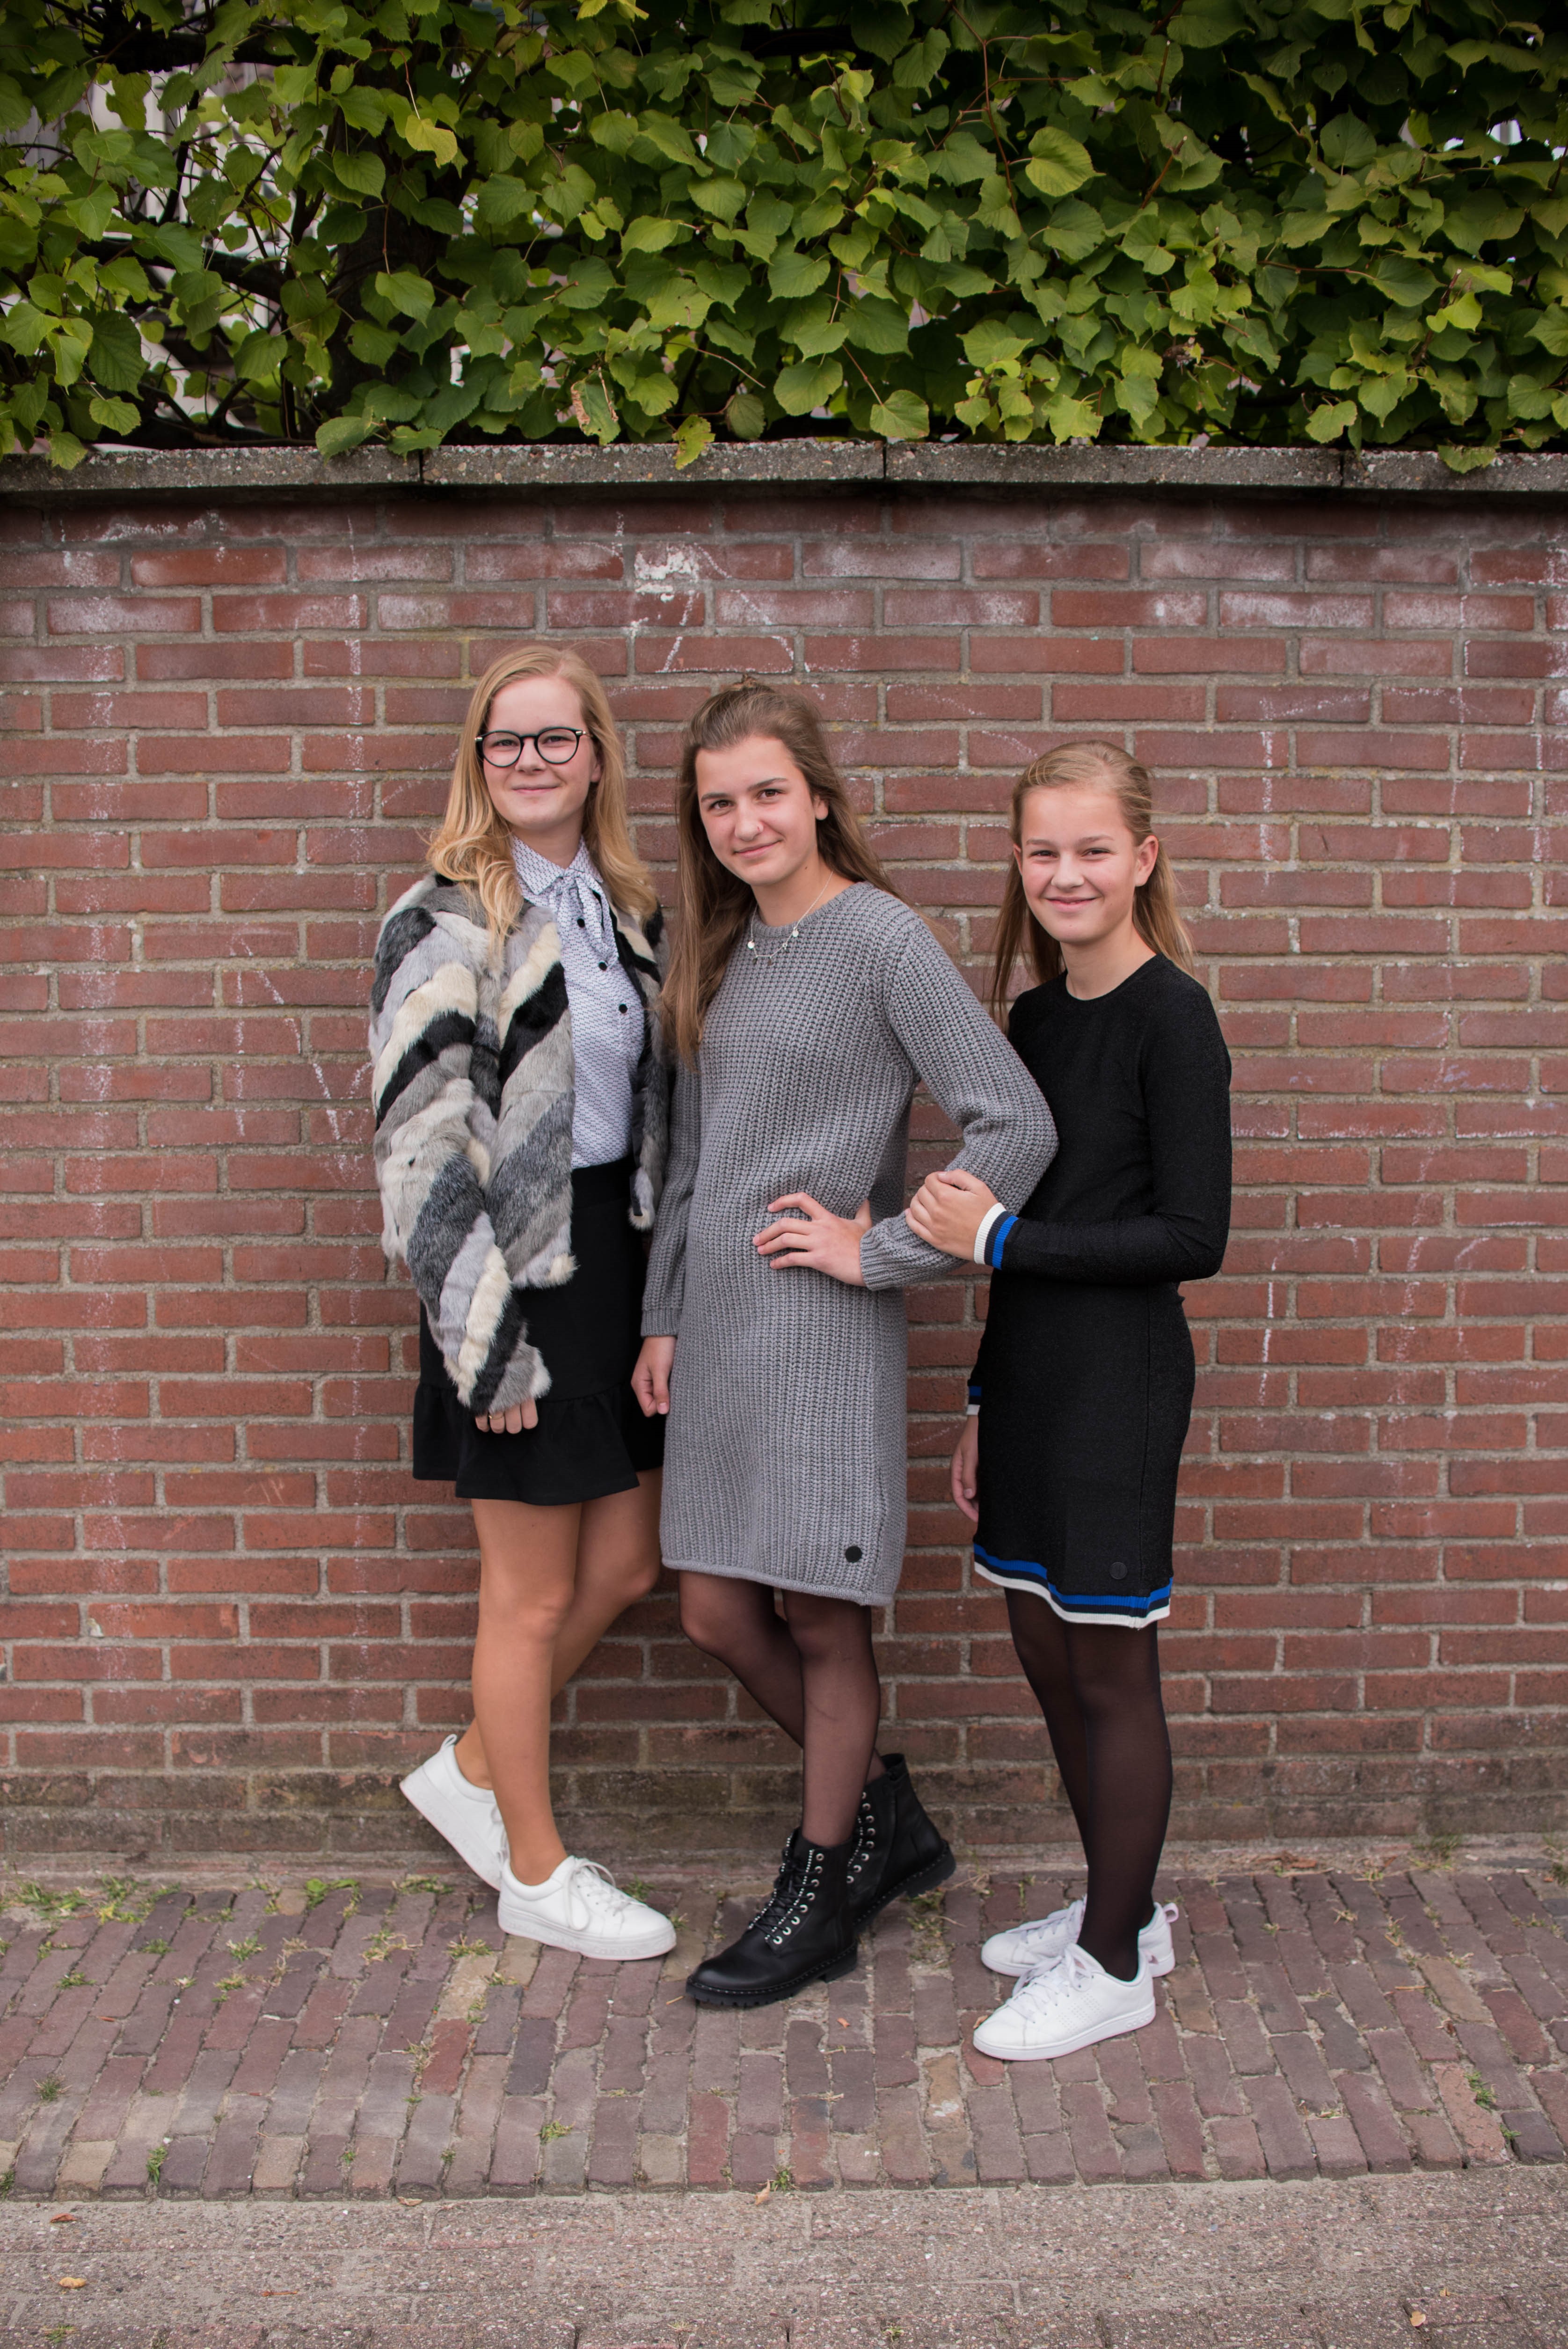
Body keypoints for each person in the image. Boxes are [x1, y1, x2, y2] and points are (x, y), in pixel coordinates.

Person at [631, 681, 1056, 2010]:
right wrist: (662, 1313)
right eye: (719, 802)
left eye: (768, 792)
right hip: (720, 1334)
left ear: (818, 797)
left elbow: (1016, 1124)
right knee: (713, 1609)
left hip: (821, 1332)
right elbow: (693, 1159)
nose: (746, 821)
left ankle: (823, 1887)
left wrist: (883, 1250)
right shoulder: (714, 949)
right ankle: (886, 1819)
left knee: (820, 1612)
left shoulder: (880, 937)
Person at [905, 741, 1232, 2062]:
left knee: (1109, 1661)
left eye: (1093, 849)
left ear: (1143, 858)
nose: (1067, 874)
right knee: (1046, 1650)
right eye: (1043, 851)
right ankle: (1124, 1909)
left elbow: (1194, 1235)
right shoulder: (1037, 1022)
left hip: (1118, 1386)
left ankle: (1112, 1969)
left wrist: (1001, 1241)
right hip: (1034, 1382)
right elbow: (1019, 1240)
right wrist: (984, 1395)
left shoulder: (1173, 1017)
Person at [369, 643, 678, 1961]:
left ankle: (469, 1769)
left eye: (559, 738)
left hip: (614, 1264)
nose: (534, 761)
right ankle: (536, 1874)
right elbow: (421, 1151)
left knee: (629, 1563)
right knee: (530, 1595)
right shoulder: (441, 921)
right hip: (511, 1282)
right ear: (479, 762)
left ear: (597, 756)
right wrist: (484, 1344)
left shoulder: (628, 910)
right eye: (509, 740)